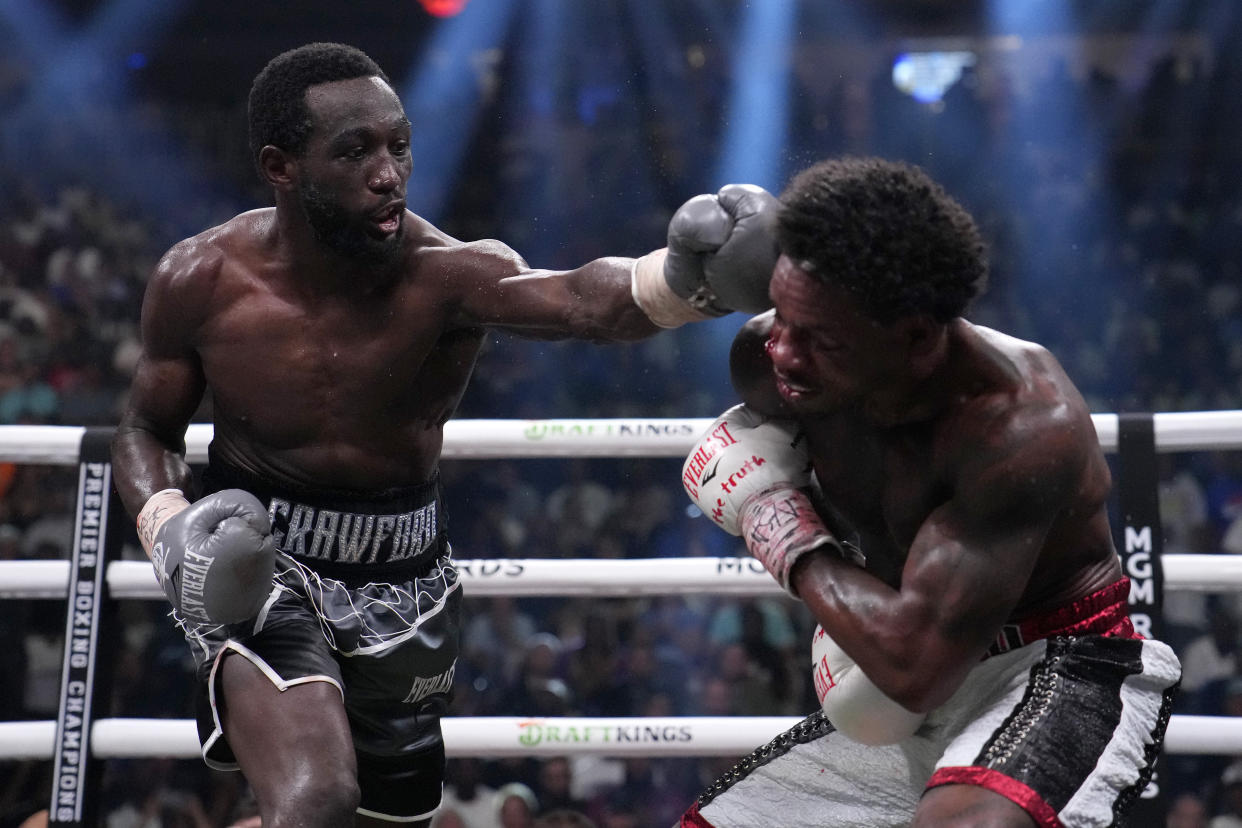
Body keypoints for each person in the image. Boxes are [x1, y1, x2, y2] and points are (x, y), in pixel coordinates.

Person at [110, 42, 778, 827]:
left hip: (404, 578)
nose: (388, 172)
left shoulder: (448, 275)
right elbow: (144, 427)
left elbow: (579, 303)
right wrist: (167, 529)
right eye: (354, 151)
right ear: (280, 166)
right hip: (259, 564)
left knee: (386, 819)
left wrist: (681, 281)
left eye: (398, 145)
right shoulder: (202, 279)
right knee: (316, 797)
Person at [677, 156, 1181, 827]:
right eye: (783, 322)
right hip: (910, 669)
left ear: (915, 340)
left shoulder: (1020, 427)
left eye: (820, 339)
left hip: (1058, 665)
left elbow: (915, 663)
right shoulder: (776, 363)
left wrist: (773, 518)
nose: (785, 354)